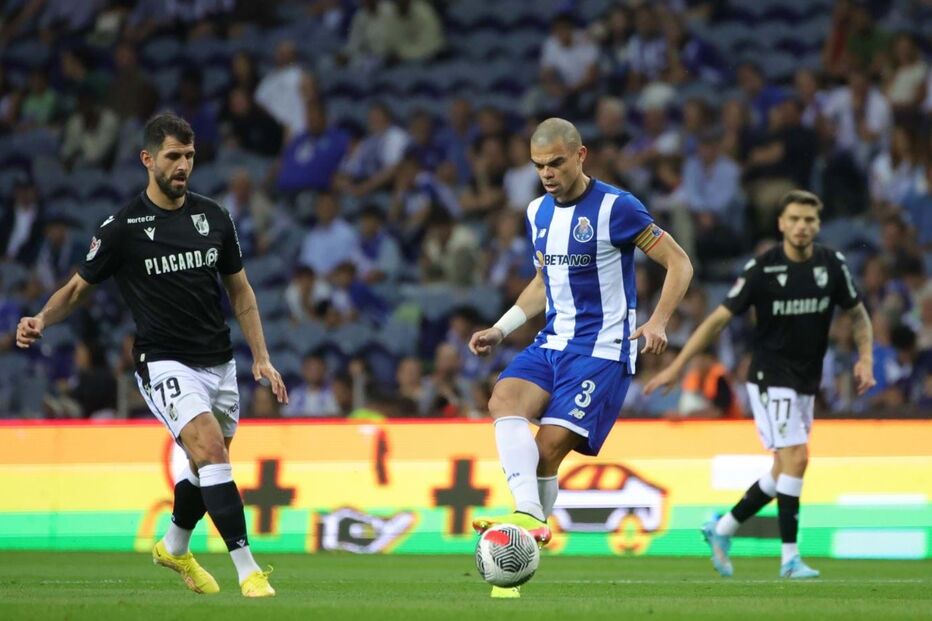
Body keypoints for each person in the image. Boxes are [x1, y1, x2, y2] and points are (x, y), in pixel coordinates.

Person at [14, 113, 287, 598]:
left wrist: (261, 357)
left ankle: (174, 545)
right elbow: (78, 288)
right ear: (147, 159)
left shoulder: (214, 217)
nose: (183, 165)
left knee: (207, 470)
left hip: (219, 362)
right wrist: (41, 318)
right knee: (209, 450)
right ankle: (249, 571)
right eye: (173, 156)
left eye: (189, 156)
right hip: (163, 361)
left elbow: (241, 292)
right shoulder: (123, 227)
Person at [468, 118, 693, 598]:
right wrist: (501, 328)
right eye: (538, 166)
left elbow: (679, 262)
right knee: (503, 398)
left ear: (580, 155)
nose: (547, 173)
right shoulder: (536, 213)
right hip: (553, 341)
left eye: (555, 163)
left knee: (549, 446)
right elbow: (543, 283)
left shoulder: (617, 207)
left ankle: (525, 526)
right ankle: (529, 522)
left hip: (601, 351)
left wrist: (658, 322)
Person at [645, 190, 876, 579]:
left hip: (806, 379)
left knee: (781, 468)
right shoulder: (762, 270)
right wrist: (677, 368)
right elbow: (717, 321)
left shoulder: (831, 265)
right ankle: (789, 559)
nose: (802, 226)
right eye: (795, 219)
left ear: (817, 226)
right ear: (781, 224)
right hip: (770, 377)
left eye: (809, 220)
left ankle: (722, 529)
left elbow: (858, 315)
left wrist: (866, 358)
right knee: (798, 459)